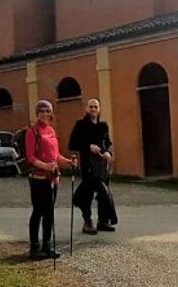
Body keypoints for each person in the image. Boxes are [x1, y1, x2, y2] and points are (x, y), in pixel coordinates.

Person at [25, 100, 75, 259]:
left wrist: (67, 161)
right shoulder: (32, 131)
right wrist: (45, 166)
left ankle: (47, 245)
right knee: (38, 212)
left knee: (49, 213)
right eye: (42, 111)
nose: (45, 114)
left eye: (48, 111)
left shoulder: (51, 130)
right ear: (37, 113)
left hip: (53, 179)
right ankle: (34, 248)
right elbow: (30, 157)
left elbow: (56, 155)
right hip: (39, 178)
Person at [69, 97, 118, 235]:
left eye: (95, 107)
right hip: (88, 165)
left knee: (104, 193)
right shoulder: (80, 125)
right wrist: (88, 147)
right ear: (86, 108)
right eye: (91, 107)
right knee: (88, 194)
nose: (93, 109)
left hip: (103, 165)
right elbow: (72, 144)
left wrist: (109, 152)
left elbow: (109, 143)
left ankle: (103, 221)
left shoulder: (103, 126)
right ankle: (87, 222)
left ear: (99, 109)